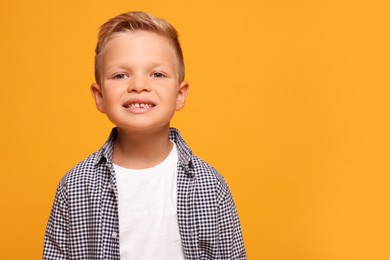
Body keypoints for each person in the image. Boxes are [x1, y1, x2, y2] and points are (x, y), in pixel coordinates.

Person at [43, 11, 246, 259]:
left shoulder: (210, 186)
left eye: (157, 74)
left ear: (180, 95)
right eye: (121, 75)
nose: (139, 85)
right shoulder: (75, 187)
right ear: (100, 97)